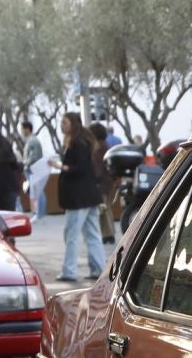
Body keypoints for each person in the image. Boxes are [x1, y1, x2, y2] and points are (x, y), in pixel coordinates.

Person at [56, 113, 104, 282]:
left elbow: (80, 168)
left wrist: (62, 167)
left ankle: (69, 271)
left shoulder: (76, 143)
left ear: (73, 124)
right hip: (89, 196)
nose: (61, 125)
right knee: (92, 234)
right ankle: (98, 269)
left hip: (78, 197)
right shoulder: (83, 141)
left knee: (72, 234)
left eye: (64, 122)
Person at [88, 121, 119, 242]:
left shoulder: (98, 148)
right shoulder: (105, 145)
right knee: (106, 209)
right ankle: (108, 234)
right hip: (109, 182)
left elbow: (97, 168)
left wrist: (94, 180)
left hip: (102, 183)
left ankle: (108, 235)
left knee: (103, 210)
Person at [19, 119, 47, 218]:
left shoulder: (33, 141)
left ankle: (39, 212)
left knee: (37, 191)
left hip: (33, 168)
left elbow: (33, 156)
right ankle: (38, 212)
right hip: (33, 168)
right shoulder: (31, 141)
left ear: (27, 129)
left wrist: (25, 164)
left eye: (22, 129)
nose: (21, 131)